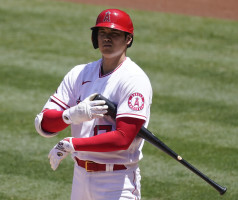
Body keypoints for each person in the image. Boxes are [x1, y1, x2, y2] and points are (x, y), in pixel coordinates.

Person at [35, 8, 152, 200]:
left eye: (114, 34)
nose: (107, 38)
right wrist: (71, 115)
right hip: (80, 177)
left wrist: (73, 144)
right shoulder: (79, 74)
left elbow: (123, 138)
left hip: (117, 181)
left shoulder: (134, 79)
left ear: (128, 39)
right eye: (102, 33)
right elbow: (43, 124)